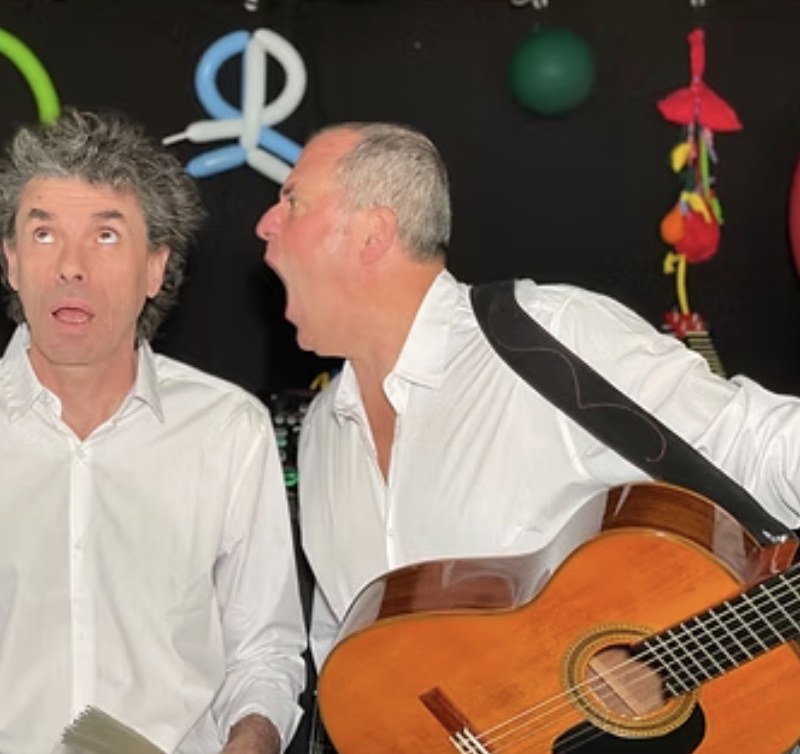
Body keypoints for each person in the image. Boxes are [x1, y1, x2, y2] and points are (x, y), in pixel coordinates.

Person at [255, 121, 800, 734]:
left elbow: (758, 443)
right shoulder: (323, 433)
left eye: (293, 201)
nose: (265, 224)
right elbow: (345, 647)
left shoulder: (547, 342)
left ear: (373, 233)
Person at [0, 109, 307, 754]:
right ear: (11, 261)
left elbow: (265, 655)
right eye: (44, 234)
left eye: (106, 236)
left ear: (156, 267)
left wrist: (251, 739)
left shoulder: (229, 432)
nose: (71, 267)